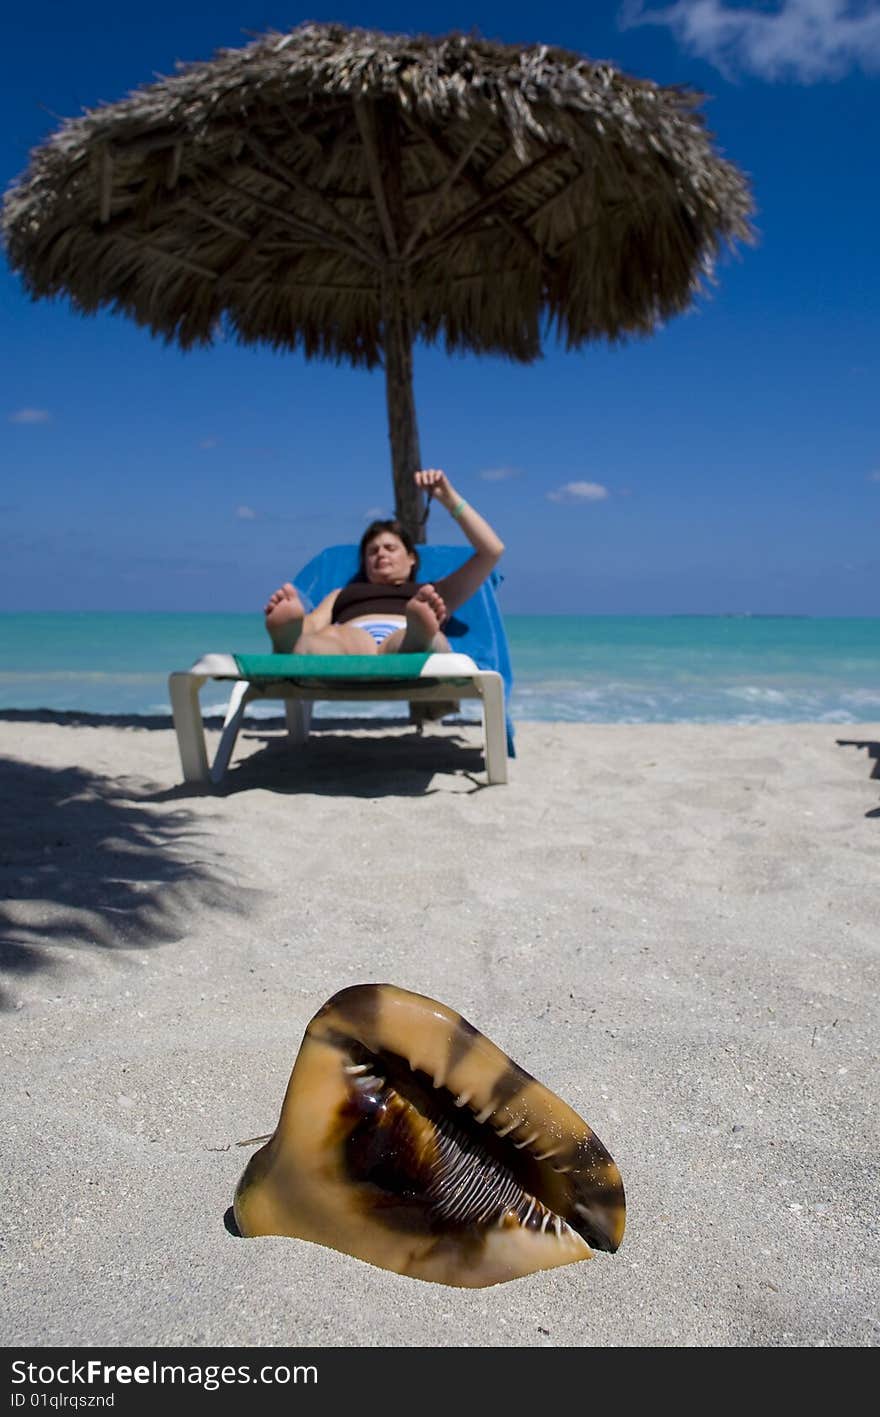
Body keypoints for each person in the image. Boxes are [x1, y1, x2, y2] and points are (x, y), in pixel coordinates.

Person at [264, 469, 504, 656]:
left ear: (412, 559)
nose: (381, 554)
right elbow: (315, 622)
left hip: (407, 632)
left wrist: (449, 498)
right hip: (355, 635)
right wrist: (295, 628)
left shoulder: (432, 593)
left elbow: (491, 551)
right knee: (330, 639)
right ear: (364, 562)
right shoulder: (343, 593)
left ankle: (420, 635)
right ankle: (290, 643)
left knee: (414, 637)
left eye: (390, 548)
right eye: (372, 551)